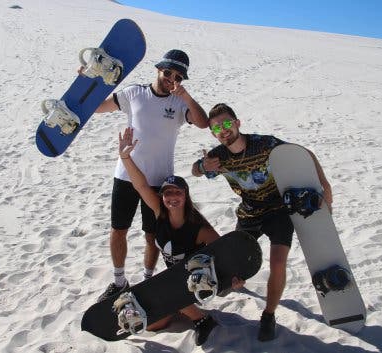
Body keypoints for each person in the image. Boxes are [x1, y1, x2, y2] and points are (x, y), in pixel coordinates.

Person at [191, 103, 332, 341]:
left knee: (278, 262)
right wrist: (202, 167)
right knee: (233, 270)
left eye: (227, 124)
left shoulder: (264, 144)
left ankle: (268, 315)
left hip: (278, 211)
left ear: (237, 123)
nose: (223, 130)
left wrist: (325, 186)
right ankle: (233, 282)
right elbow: (195, 171)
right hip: (248, 213)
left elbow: (304, 153)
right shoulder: (218, 156)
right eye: (216, 128)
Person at [92, 49, 209, 302]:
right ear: (158, 69)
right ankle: (119, 281)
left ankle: (147, 279)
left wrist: (187, 96)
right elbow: (99, 108)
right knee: (118, 229)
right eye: (168, 72)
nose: (171, 79)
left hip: (159, 181)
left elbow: (203, 123)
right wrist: (90, 83)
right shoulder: (134, 92)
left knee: (152, 236)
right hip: (126, 174)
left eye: (178, 76)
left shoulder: (179, 103)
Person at [118, 127, 239, 346]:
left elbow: (226, 251)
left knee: (171, 290)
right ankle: (183, 310)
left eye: (178, 192)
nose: (172, 197)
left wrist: (234, 280)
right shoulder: (159, 212)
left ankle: (202, 319)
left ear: (185, 196)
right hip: (175, 281)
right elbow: (141, 185)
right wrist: (125, 157)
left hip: (198, 282)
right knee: (153, 324)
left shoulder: (198, 228)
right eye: (167, 193)